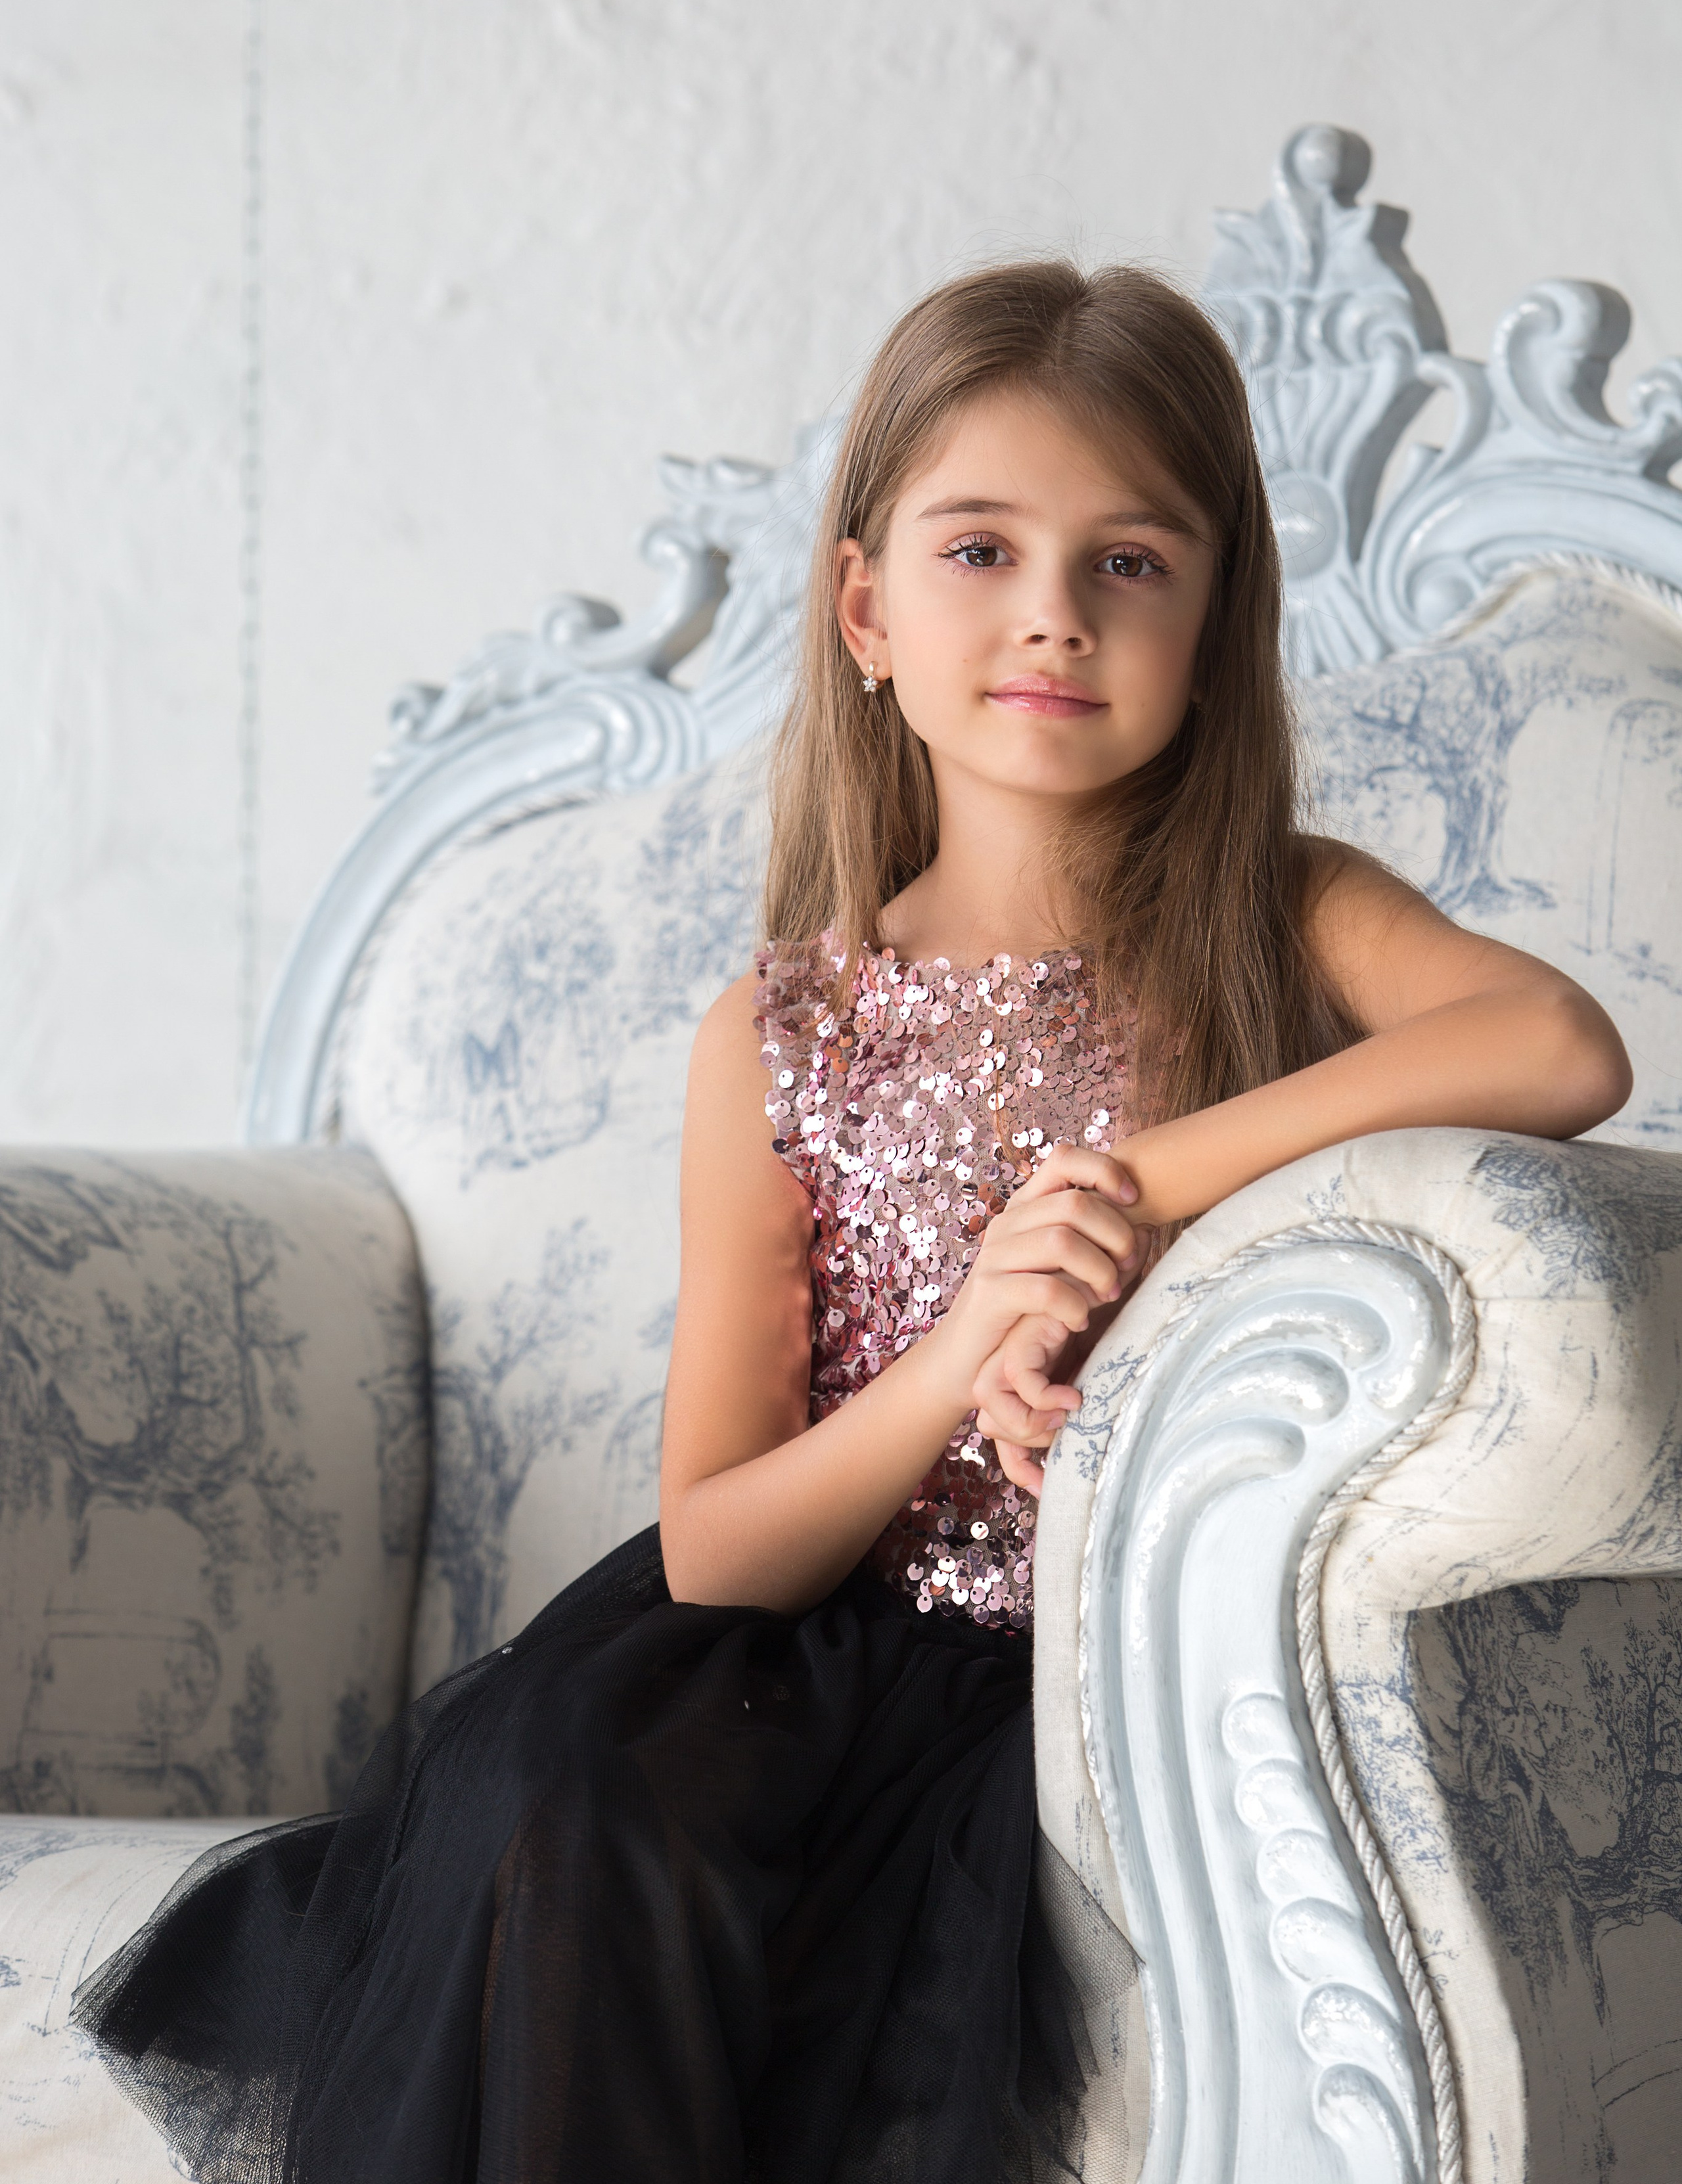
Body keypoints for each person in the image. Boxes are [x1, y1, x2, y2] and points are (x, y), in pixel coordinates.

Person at [74, 261, 1632, 2183]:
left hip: (1092, 1668)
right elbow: (721, 1545)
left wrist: (1145, 1181)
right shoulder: (781, 1036)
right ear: (865, 609)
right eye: (982, 549)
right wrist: (964, 1352)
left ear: (1219, 622)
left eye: (1132, 561)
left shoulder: (1287, 915)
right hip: (808, 1646)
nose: (1055, 611)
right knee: (576, 1804)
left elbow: (1558, 1044)